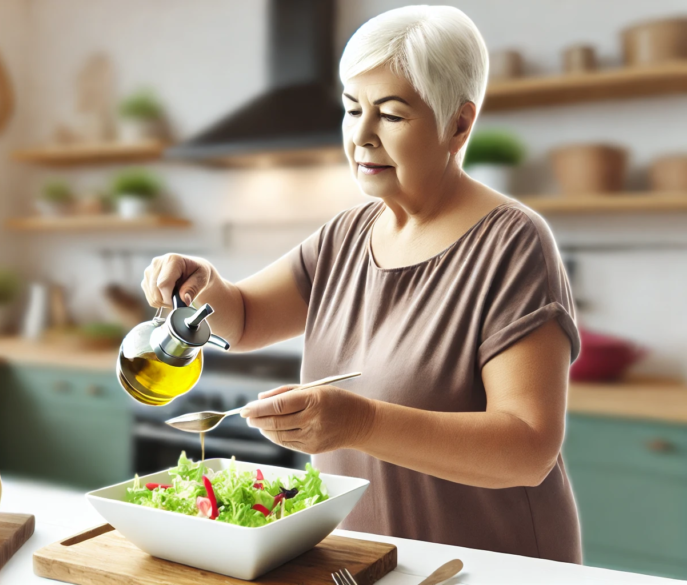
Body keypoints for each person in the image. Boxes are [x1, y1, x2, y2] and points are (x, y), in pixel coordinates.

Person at [140, 5, 581, 563]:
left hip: (485, 566)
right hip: (364, 561)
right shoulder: (346, 234)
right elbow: (245, 317)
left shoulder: (512, 242)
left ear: (459, 123)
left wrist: (360, 421)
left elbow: (526, 449)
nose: (363, 136)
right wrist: (203, 287)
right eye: (353, 109)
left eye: (392, 115)